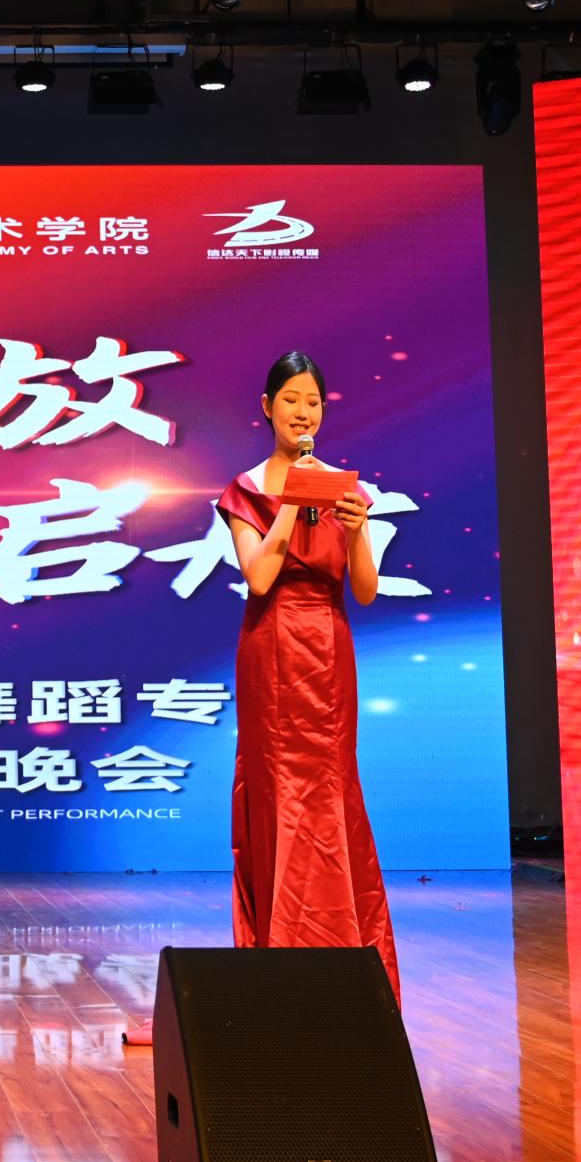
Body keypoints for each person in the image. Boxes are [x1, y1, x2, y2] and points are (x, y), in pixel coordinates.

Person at [213, 349, 399, 1000]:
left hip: (329, 651)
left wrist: (357, 530)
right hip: (271, 651)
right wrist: (292, 500)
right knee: (276, 796)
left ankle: (345, 950)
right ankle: (279, 957)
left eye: (313, 402)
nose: (303, 412)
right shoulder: (244, 491)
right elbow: (260, 577)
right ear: (268, 408)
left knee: (330, 791)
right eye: (291, 400)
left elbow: (366, 591)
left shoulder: (347, 489)